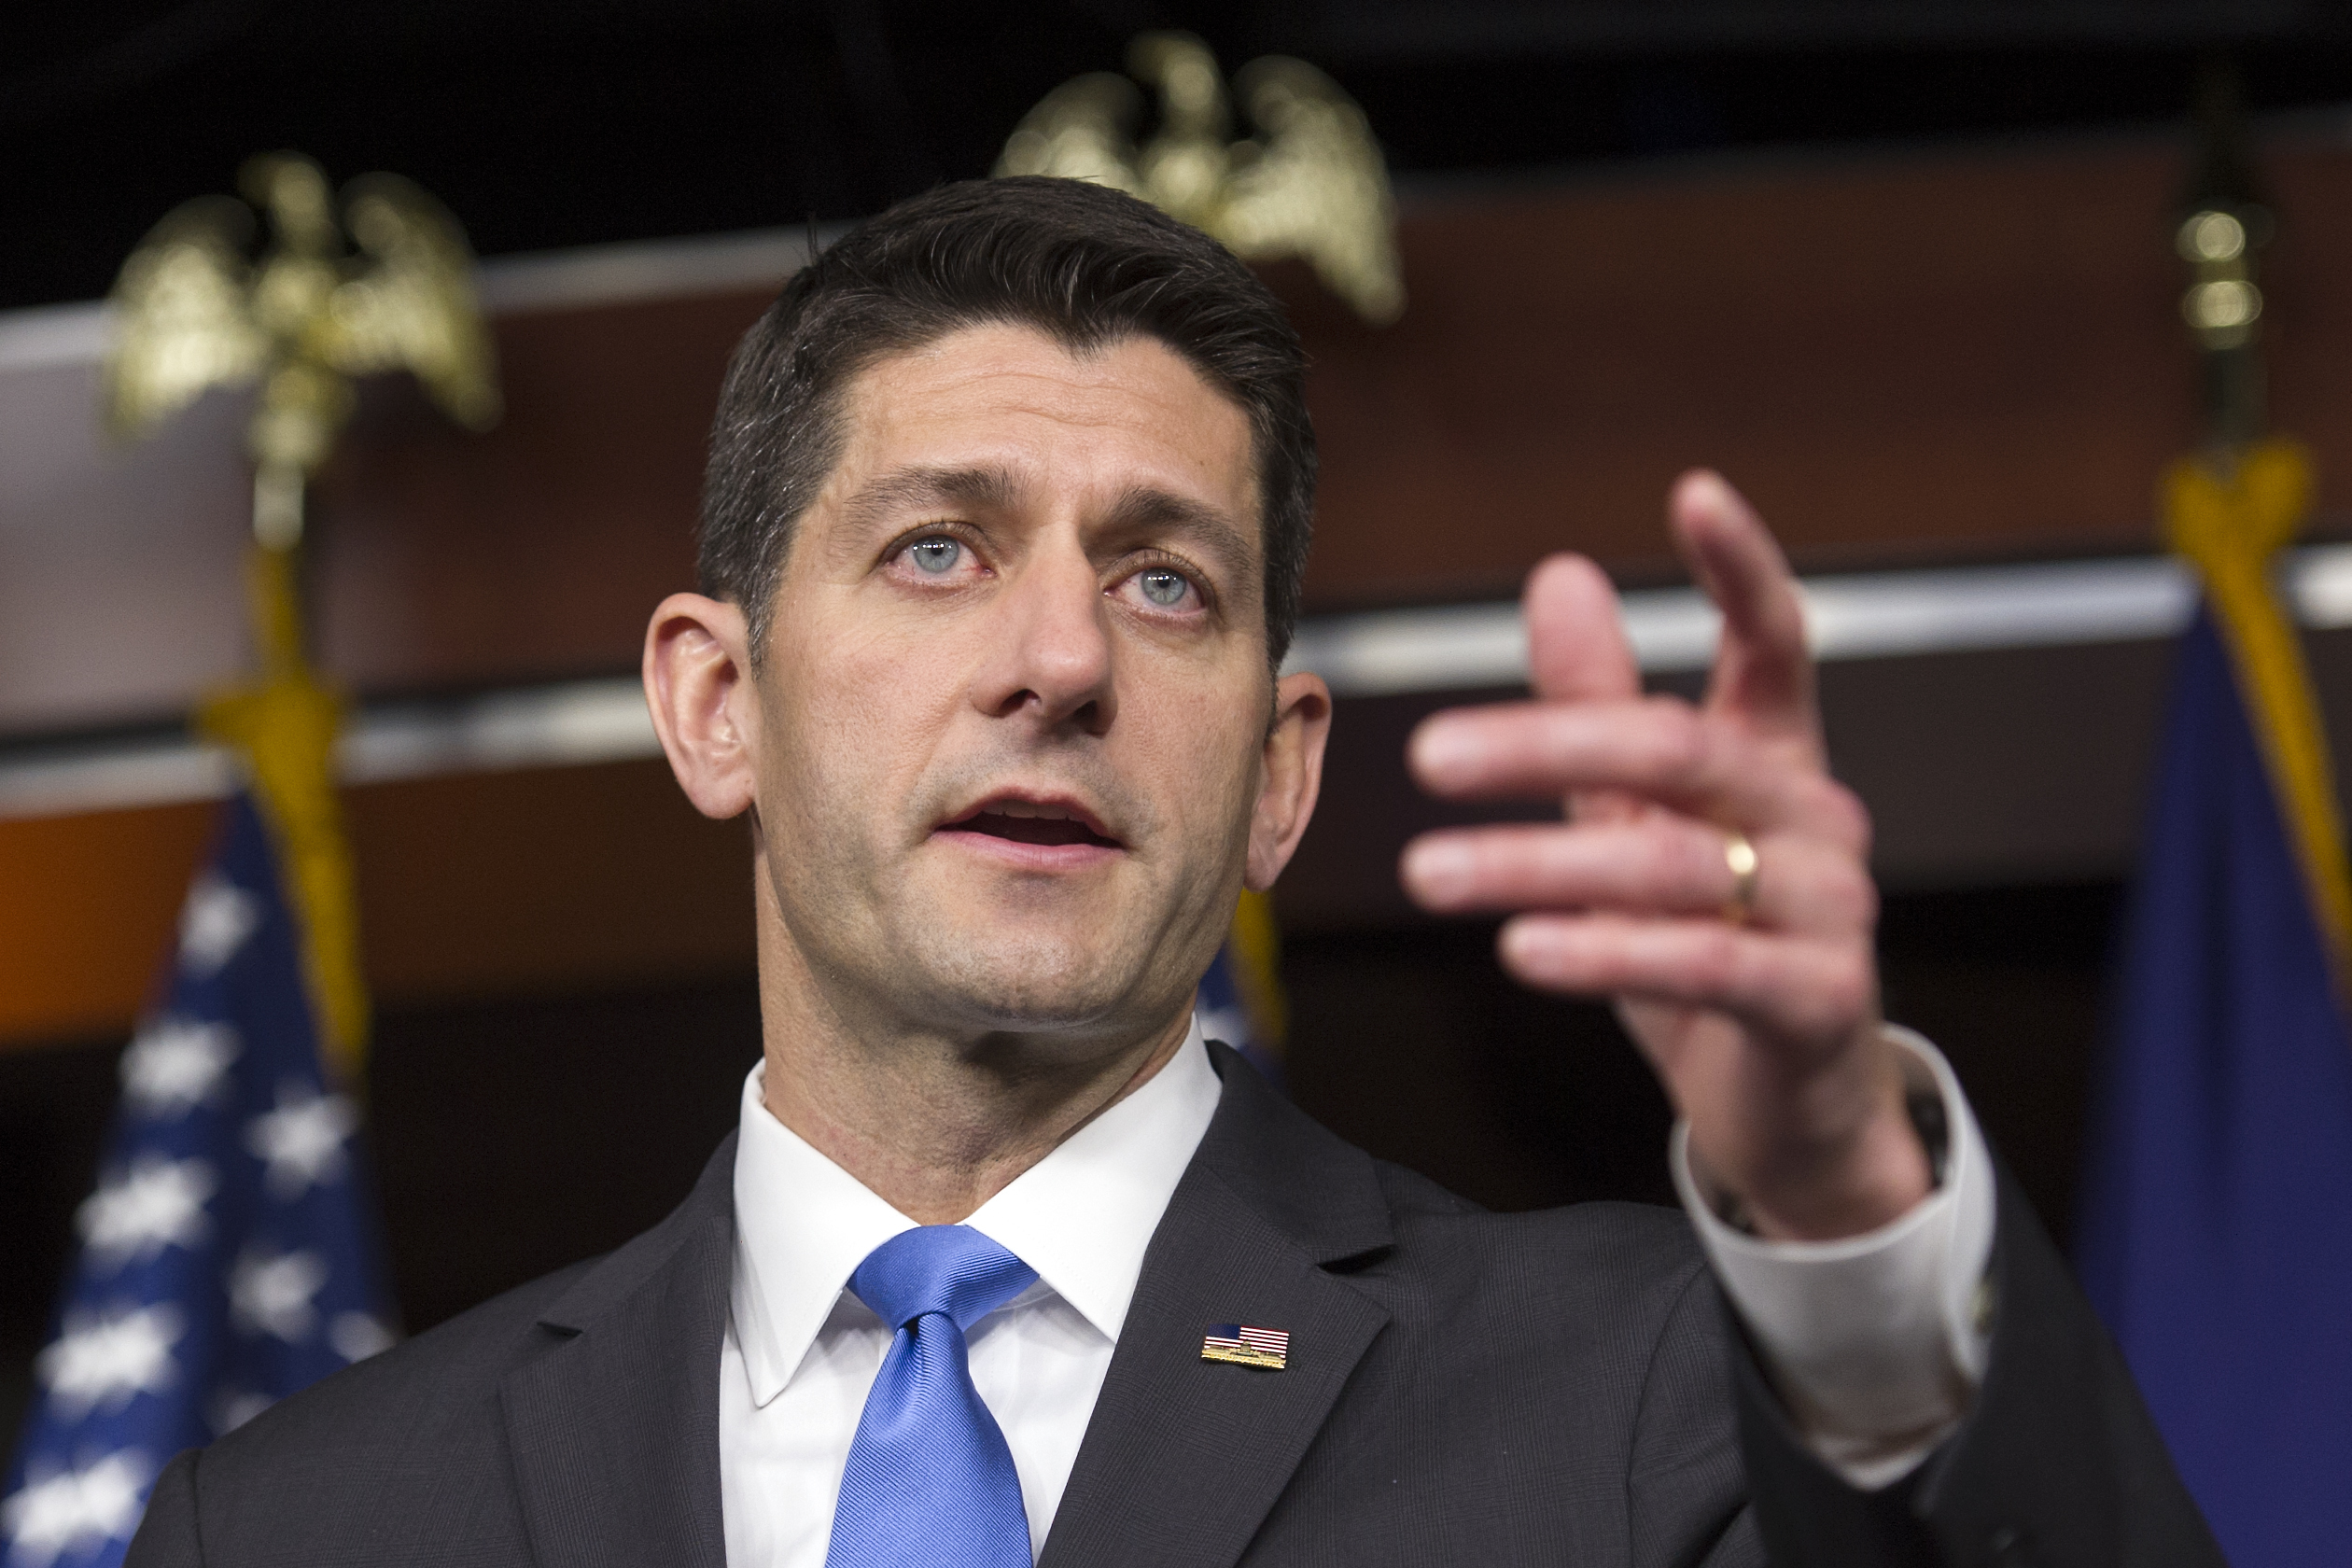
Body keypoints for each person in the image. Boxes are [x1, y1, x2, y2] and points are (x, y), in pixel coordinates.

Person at [127, 177, 2215, 1567]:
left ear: (1280, 778)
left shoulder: (1656, 1401)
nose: (1059, 662)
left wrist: (1847, 1193)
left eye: (1167, 582)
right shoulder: (305, 1525)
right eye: (938, 548)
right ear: (714, 705)